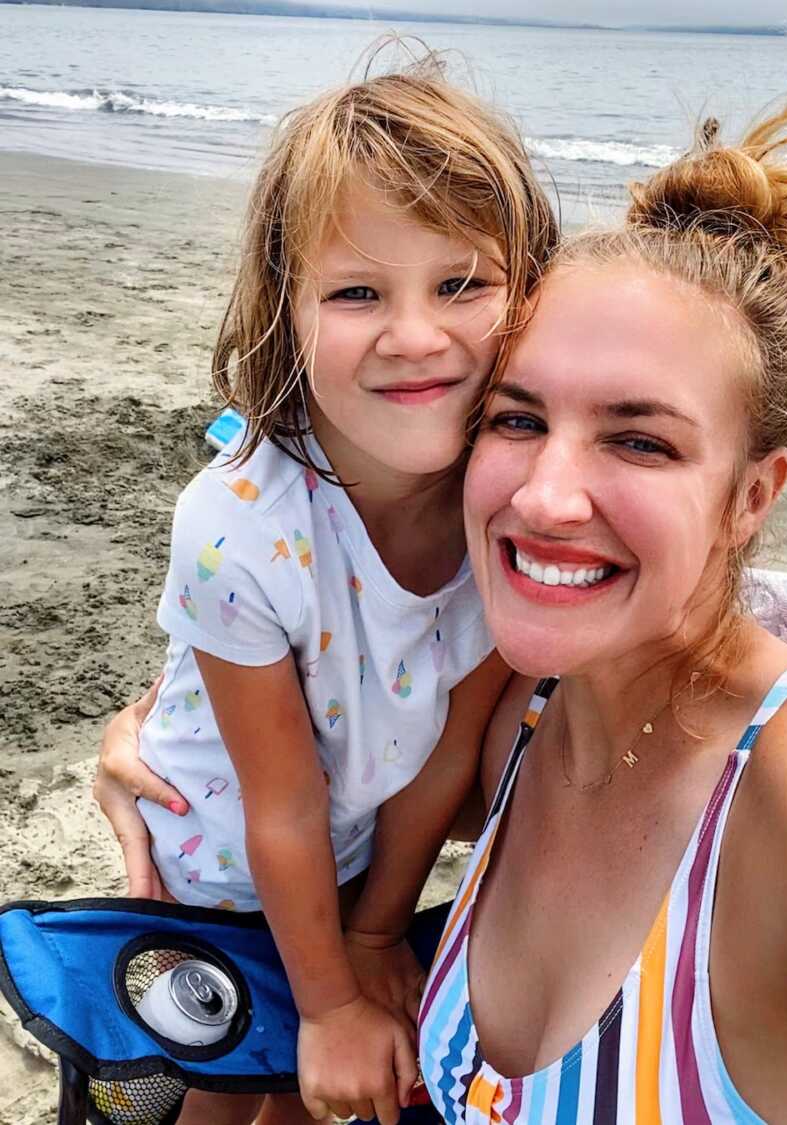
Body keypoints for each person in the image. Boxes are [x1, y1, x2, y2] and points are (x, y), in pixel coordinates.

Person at [418, 100, 787, 1121]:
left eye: (640, 441)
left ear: (750, 498)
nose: (546, 496)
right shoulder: (519, 717)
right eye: (517, 417)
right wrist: (157, 752)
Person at [112, 53, 558, 1125]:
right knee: (234, 1089)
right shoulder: (235, 529)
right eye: (359, 292)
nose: (416, 336)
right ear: (287, 310)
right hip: (212, 874)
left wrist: (371, 934)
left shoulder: (510, 500)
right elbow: (280, 801)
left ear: (533, 288)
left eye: (463, 283)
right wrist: (325, 1000)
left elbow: (453, 738)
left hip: (355, 857)